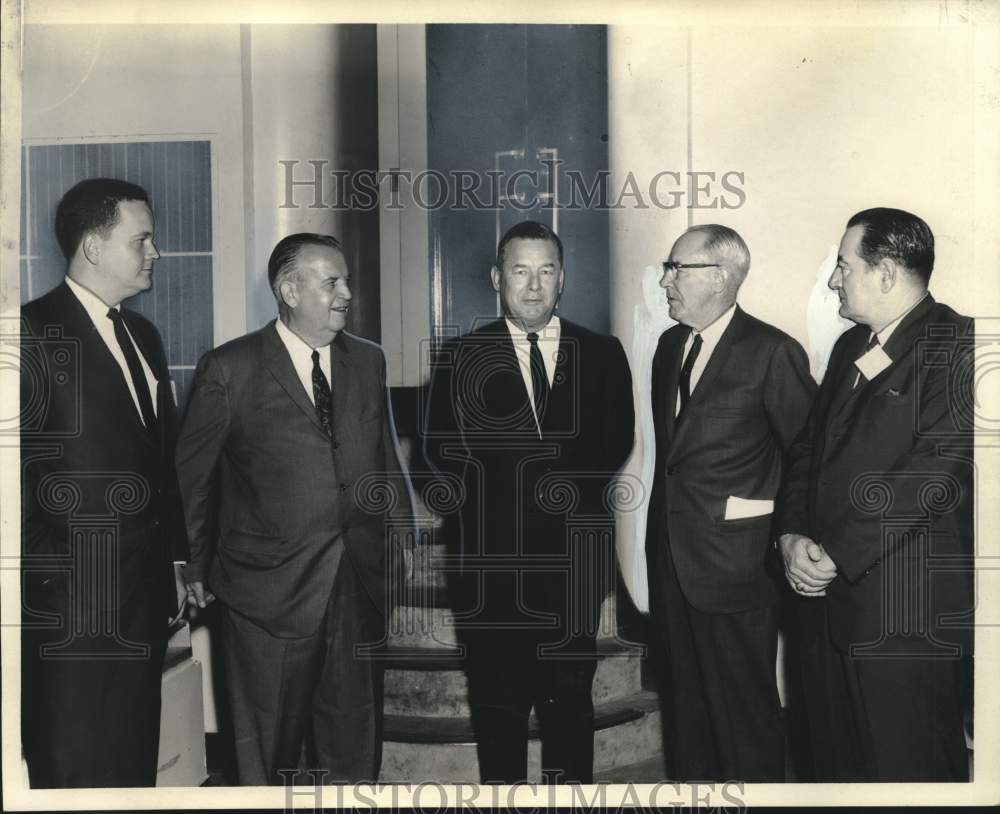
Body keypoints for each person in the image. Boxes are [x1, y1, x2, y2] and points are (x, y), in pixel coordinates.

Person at [175, 233, 410, 785]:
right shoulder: (229, 369)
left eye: (345, 280)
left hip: (357, 583)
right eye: (332, 282)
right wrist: (193, 566)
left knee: (353, 743)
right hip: (266, 593)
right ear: (288, 289)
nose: (347, 293)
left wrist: (398, 549)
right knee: (267, 751)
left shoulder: (367, 361)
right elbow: (194, 480)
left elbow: (383, 461)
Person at [424, 220, 634, 783]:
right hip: (491, 574)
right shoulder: (459, 357)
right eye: (520, 271)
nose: (534, 285)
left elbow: (616, 441)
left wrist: (551, 499)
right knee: (499, 718)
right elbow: (437, 460)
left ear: (562, 279)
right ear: (497, 278)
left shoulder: (603, 354)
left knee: (570, 711)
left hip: (572, 568)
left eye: (546, 271)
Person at [777, 208, 974, 781]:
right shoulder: (849, 348)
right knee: (834, 774)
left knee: (906, 774)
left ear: (885, 272)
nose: (834, 280)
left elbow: (932, 475)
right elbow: (806, 453)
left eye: (843, 265)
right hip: (825, 613)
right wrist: (790, 536)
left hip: (901, 623)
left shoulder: (958, 346)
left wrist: (835, 552)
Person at [20, 178, 189, 787]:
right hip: (67, 614)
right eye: (141, 239)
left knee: (131, 766)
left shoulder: (143, 336)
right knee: (73, 769)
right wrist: (51, 582)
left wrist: (175, 564)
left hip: (142, 607)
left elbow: (159, 463)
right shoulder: (28, 336)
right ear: (93, 246)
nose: (156, 252)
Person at [646, 224, 815, 781]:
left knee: (745, 724)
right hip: (673, 568)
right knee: (686, 722)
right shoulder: (671, 347)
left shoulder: (773, 353)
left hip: (740, 573)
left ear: (718, 278)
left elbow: (806, 460)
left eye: (677, 268)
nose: (665, 280)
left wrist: (782, 539)